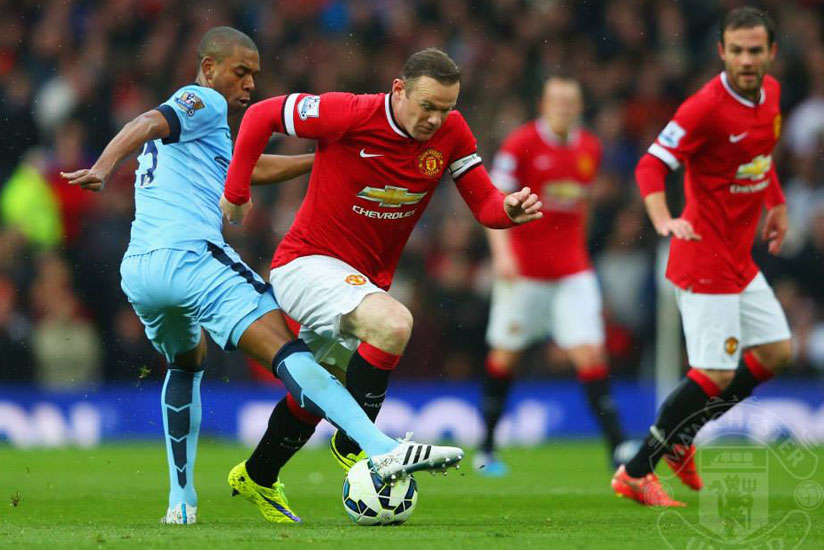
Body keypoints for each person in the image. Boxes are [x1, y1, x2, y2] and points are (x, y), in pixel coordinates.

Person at [62, 28, 464, 526]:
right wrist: (103, 166)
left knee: (187, 365)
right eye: (240, 71)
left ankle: (181, 505)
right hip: (192, 260)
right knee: (290, 351)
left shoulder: (203, 132)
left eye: (255, 73)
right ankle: (378, 446)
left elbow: (250, 168)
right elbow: (148, 119)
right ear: (209, 68)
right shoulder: (201, 100)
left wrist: (326, 158)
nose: (250, 83)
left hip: (141, 271)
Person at [220, 48, 542, 497]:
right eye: (426, 106)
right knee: (394, 324)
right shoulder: (348, 113)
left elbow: (484, 202)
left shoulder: (451, 133)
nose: (435, 119)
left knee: (316, 391)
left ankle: (257, 477)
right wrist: (236, 191)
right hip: (305, 263)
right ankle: (360, 445)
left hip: (362, 280)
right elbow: (260, 115)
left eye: (445, 109)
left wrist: (507, 208)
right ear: (398, 89)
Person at [611, 7, 791, 507]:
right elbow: (651, 165)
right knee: (713, 373)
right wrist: (662, 218)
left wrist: (775, 202)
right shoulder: (704, 108)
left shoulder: (771, 95)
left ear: (771, 53)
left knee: (776, 351)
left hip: (739, 258)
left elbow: (762, 154)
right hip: (704, 258)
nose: (746, 60)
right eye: (737, 51)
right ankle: (635, 469)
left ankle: (683, 435)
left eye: (755, 51)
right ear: (722, 52)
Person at [476, 76, 632, 476]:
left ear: (579, 107)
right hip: (524, 271)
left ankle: (619, 449)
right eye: (557, 101)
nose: (564, 107)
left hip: (572, 271)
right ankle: (487, 447)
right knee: (505, 355)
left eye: (571, 101)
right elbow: (494, 200)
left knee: (590, 354)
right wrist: (502, 254)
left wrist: (579, 250)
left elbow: (582, 208)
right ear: (544, 105)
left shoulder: (590, 148)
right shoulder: (520, 144)